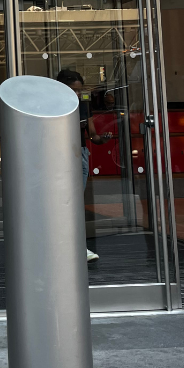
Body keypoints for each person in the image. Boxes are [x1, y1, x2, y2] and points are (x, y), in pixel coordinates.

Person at [56, 69, 108, 262]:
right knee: (65, 203)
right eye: (73, 90)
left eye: (79, 91)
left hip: (80, 153)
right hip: (61, 155)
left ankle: (75, 247)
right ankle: (74, 247)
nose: (77, 94)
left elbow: (92, 133)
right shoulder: (54, 105)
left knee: (75, 203)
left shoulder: (83, 105)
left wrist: (102, 139)